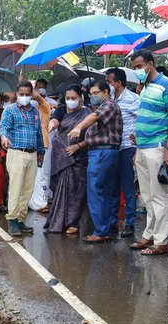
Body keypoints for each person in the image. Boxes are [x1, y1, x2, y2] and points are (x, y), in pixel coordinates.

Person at [129, 50, 168, 255]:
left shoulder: (166, 85)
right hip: (142, 147)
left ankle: (162, 242)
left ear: (151, 64)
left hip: (158, 147)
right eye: (134, 67)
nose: (137, 70)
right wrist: (137, 146)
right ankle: (149, 235)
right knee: (147, 195)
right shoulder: (145, 87)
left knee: (159, 196)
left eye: (140, 66)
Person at [69, 79, 123, 243]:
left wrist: (78, 127)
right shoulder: (102, 107)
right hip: (104, 152)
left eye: (96, 93)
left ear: (106, 92)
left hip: (102, 153)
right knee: (107, 192)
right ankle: (108, 226)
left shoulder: (109, 105)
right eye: (90, 94)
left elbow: (94, 116)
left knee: (96, 191)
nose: (92, 96)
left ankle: (101, 231)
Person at [0, 80, 45, 236]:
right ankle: (12, 220)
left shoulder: (34, 111)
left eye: (27, 94)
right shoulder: (10, 110)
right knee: (16, 188)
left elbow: (39, 133)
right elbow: (3, 126)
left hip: (32, 154)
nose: (24, 97)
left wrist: (41, 152)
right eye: (21, 94)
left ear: (31, 95)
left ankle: (20, 220)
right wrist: (3, 137)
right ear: (16, 94)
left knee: (27, 190)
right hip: (16, 152)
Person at [44, 85, 91, 235]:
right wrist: (51, 125)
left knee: (76, 192)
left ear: (80, 99)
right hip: (61, 158)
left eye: (74, 98)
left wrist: (78, 146)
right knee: (60, 190)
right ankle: (60, 220)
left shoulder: (87, 114)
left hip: (79, 158)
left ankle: (73, 223)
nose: (70, 101)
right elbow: (55, 121)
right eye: (68, 98)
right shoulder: (61, 110)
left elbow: (92, 137)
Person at [107, 67, 141, 238]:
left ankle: (130, 223)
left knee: (128, 188)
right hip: (111, 148)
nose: (108, 85)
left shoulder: (133, 99)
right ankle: (113, 222)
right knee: (112, 188)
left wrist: (138, 147)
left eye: (110, 82)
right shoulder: (109, 99)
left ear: (118, 83)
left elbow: (141, 121)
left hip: (127, 148)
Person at [28, 91, 54, 213]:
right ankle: (30, 202)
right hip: (29, 146)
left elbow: (40, 99)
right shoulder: (26, 111)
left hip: (42, 146)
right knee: (30, 176)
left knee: (41, 176)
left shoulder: (45, 109)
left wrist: (30, 89)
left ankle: (41, 203)